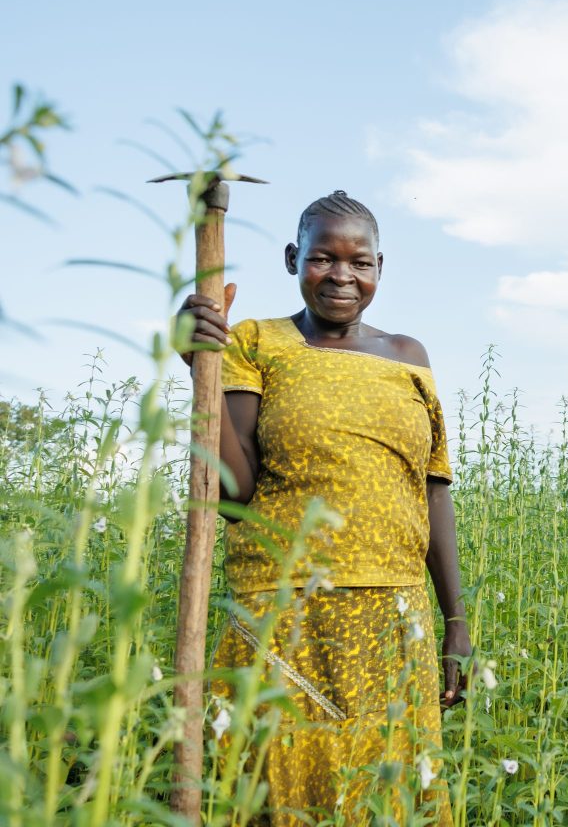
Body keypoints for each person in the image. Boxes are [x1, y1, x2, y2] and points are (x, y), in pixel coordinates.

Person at [179, 190, 468, 825]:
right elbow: (235, 495)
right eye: (322, 258)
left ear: (379, 267)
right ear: (293, 259)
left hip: (393, 615)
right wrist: (201, 367)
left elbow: (433, 490)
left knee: (388, 789)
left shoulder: (409, 357)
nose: (342, 276)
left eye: (360, 262)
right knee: (278, 785)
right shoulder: (254, 341)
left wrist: (456, 622)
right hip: (283, 613)